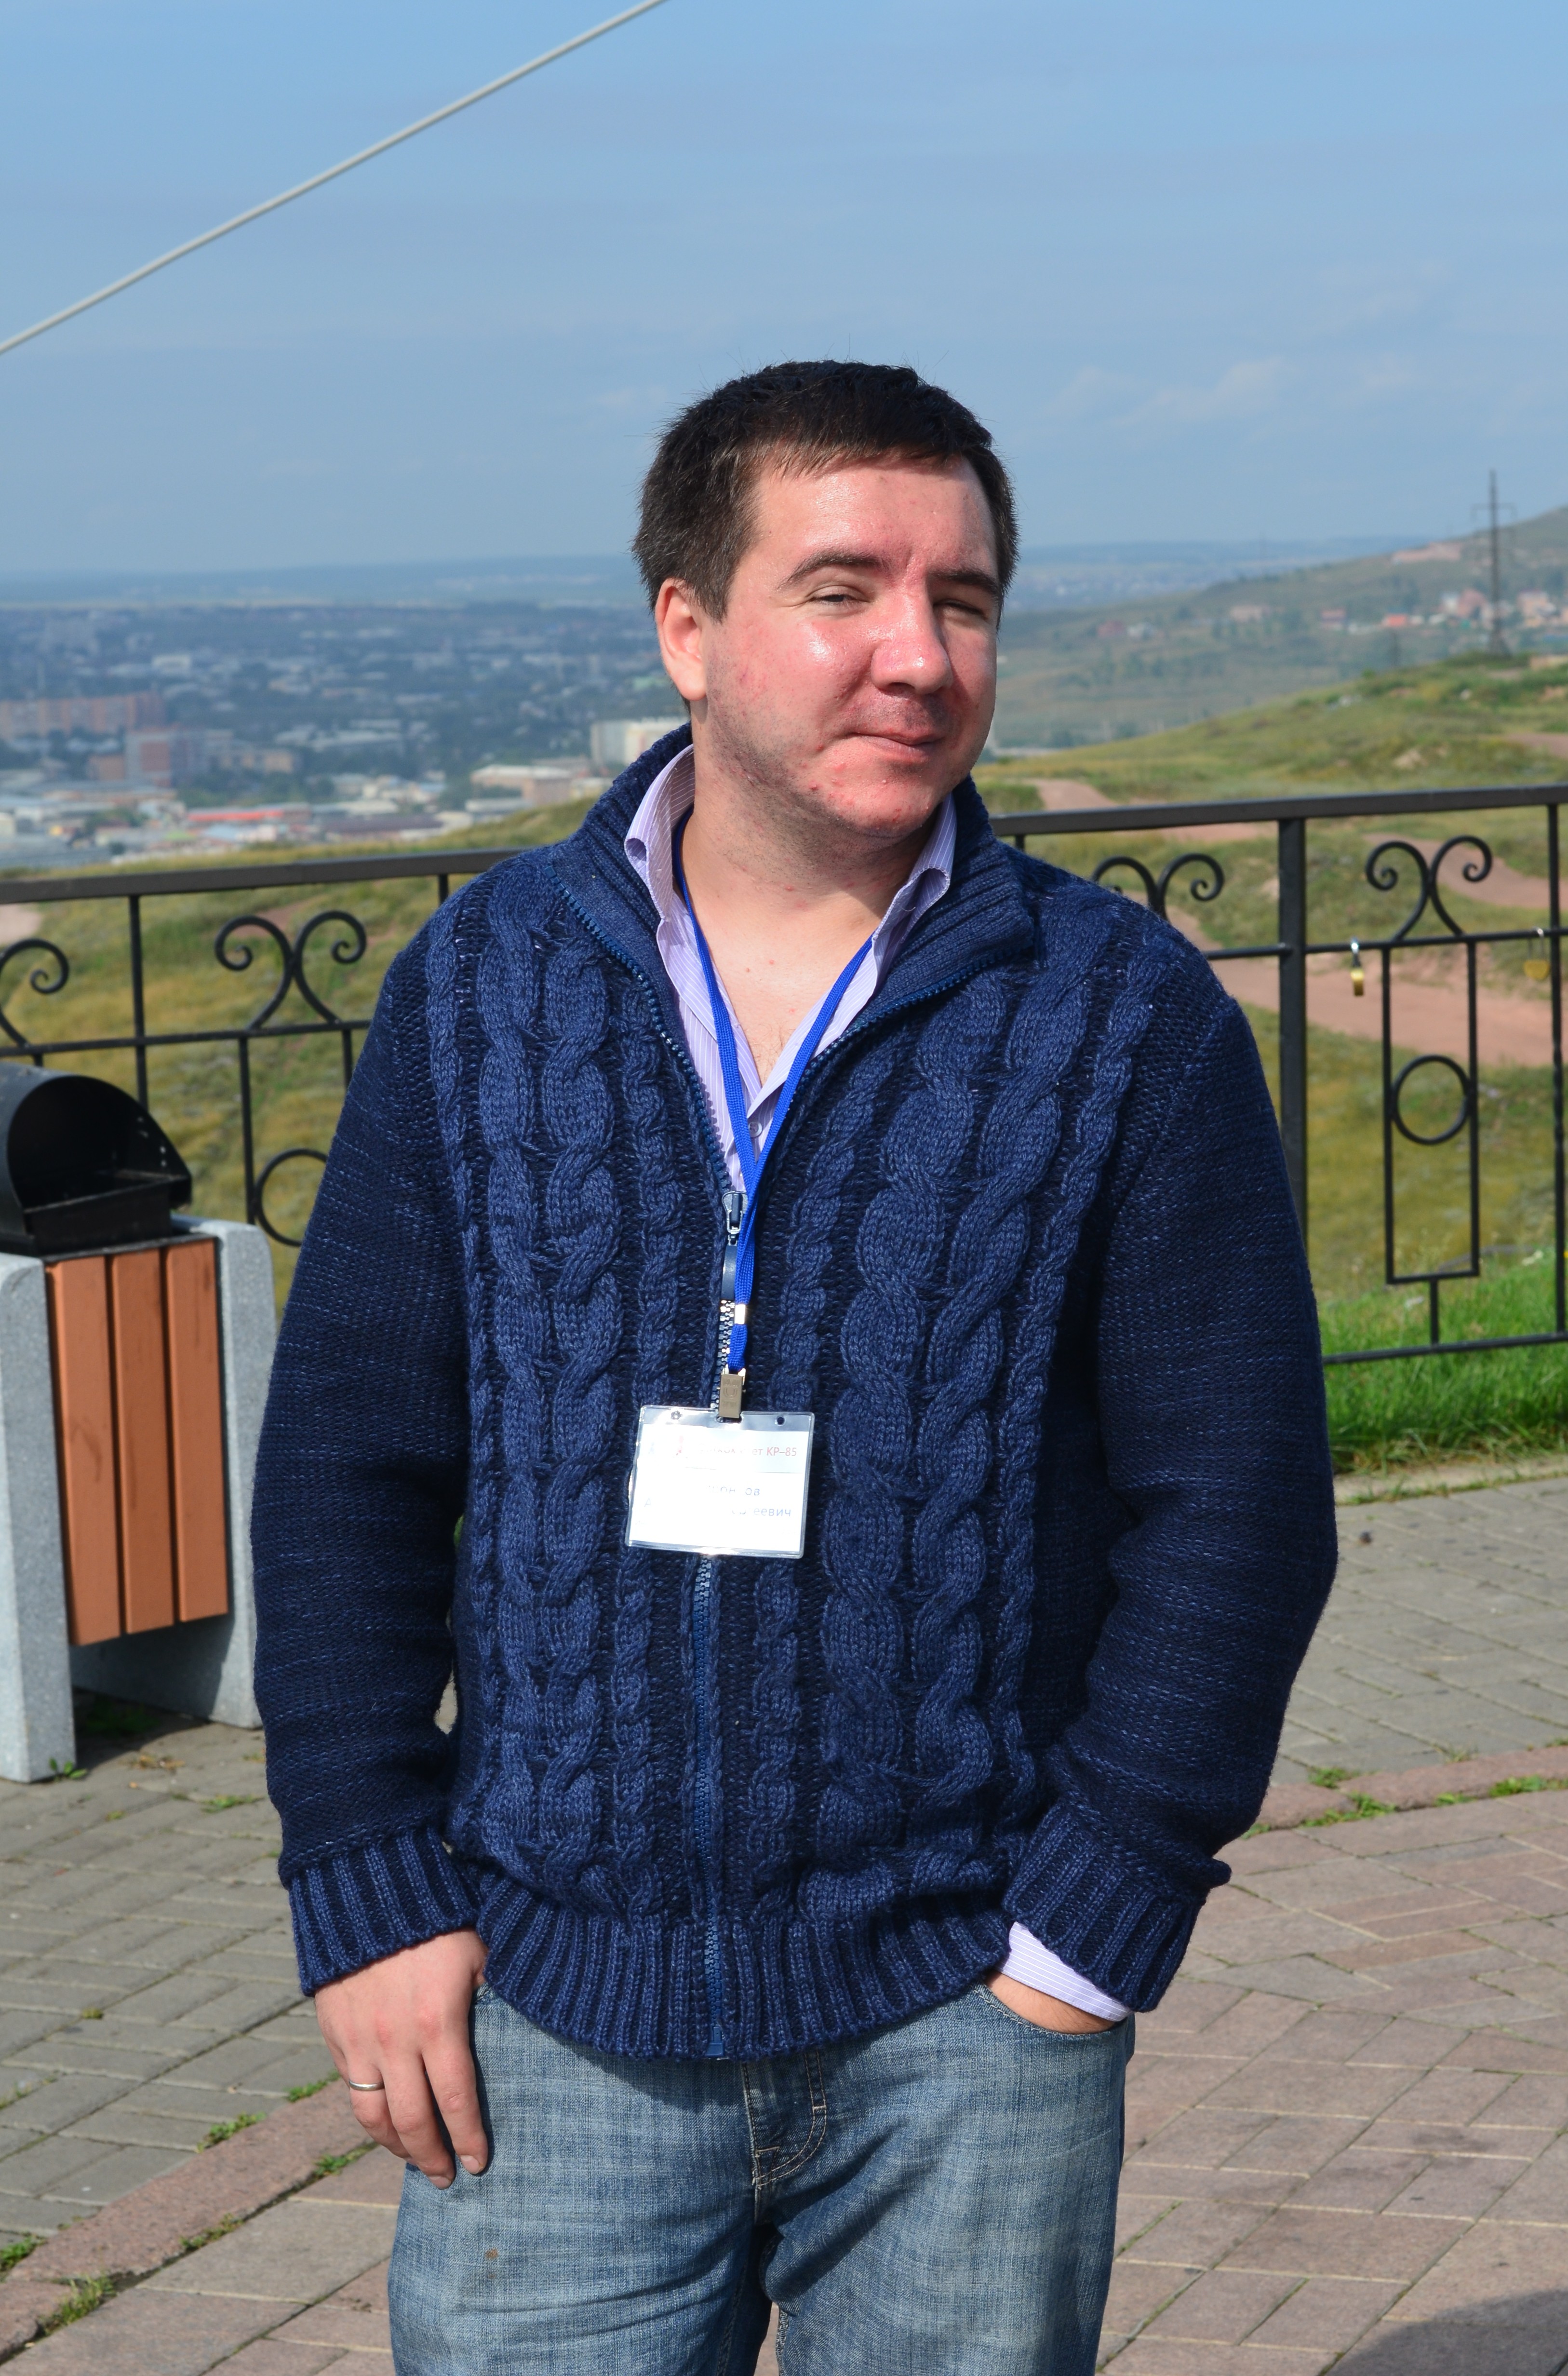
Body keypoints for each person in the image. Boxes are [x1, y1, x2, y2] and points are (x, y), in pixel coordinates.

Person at [253, 360, 1337, 2376]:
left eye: (965, 599)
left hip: (969, 2020)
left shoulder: (1121, 1014)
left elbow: (1240, 1502)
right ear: (687, 626)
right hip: (550, 2017)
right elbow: (347, 1467)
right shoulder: (483, 987)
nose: (918, 654)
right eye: (844, 588)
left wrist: (1093, 1924)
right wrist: (369, 1883)